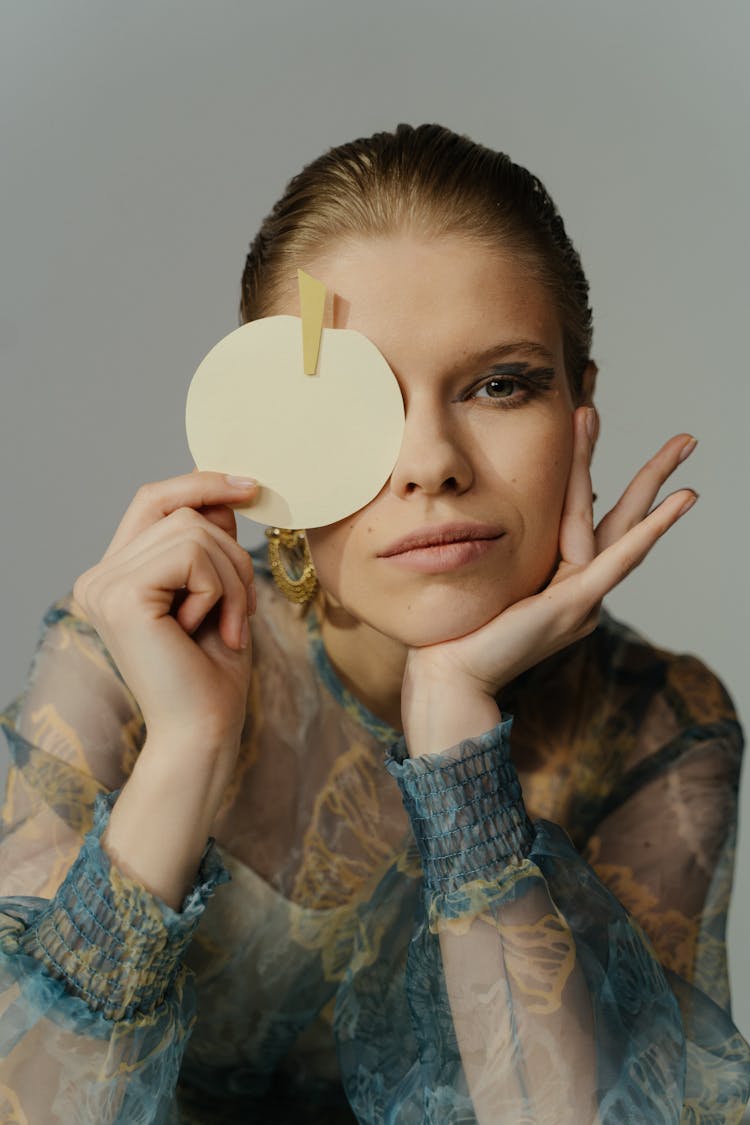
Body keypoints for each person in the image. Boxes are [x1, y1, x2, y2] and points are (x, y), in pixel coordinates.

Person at [0, 123, 748, 1124]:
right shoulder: (134, 660)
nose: (430, 460)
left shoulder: (656, 724)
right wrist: (187, 749)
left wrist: (455, 743)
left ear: (580, 409)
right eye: (355, 400)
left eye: (499, 385)